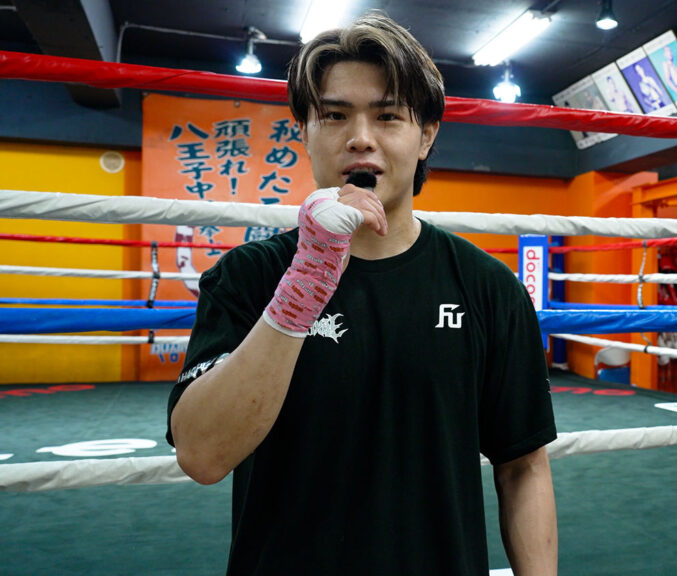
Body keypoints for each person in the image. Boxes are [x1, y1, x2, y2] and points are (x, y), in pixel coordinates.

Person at [166, 11, 558, 575]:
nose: (360, 138)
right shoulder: (249, 276)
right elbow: (201, 456)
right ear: (305, 131)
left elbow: (522, 466)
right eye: (334, 115)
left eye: (387, 116)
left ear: (426, 136)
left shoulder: (487, 287)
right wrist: (305, 283)